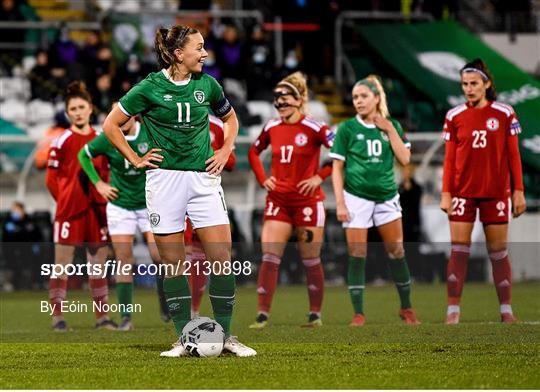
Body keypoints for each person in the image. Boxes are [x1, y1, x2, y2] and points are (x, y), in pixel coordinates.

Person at [102, 25, 256, 357]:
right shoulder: (148, 87)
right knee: (173, 263)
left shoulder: (209, 85)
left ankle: (227, 335)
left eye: (204, 48)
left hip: (203, 179)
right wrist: (135, 158)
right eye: (198, 48)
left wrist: (226, 150)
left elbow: (231, 120)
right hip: (164, 181)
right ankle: (184, 338)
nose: (204, 53)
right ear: (178, 55)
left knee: (221, 258)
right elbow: (110, 125)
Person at [440, 58, 526, 324]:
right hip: (463, 193)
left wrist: (518, 190)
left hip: (496, 192)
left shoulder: (504, 113)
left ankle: (506, 310)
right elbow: (449, 160)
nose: (468, 88)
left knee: (498, 251)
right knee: (458, 250)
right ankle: (453, 311)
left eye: (474, 83)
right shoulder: (454, 116)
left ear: (486, 84)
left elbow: (513, 155)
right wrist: (446, 192)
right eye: (465, 84)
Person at [330, 75, 420, 326]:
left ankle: (406, 308)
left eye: (363, 96)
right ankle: (358, 313)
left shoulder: (392, 125)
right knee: (357, 253)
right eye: (355, 97)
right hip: (356, 198)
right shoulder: (347, 128)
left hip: (387, 197)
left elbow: (404, 159)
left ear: (376, 98)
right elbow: (337, 167)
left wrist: (390, 129)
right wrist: (340, 202)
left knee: (397, 251)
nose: (358, 101)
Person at [247, 72, 334, 329]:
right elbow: (254, 151)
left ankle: (315, 314)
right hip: (279, 201)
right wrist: (263, 178)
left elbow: (339, 151)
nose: (280, 104)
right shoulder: (272, 127)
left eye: (285, 99)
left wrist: (320, 176)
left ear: (299, 100)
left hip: (308, 202)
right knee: (270, 256)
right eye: (277, 100)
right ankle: (262, 315)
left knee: (310, 258)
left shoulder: (315, 127)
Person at [78, 102, 169, 331]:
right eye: (114, 114)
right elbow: (84, 155)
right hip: (120, 206)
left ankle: (166, 302)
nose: (119, 118)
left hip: (149, 203)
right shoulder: (109, 135)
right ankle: (127, 317)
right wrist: (98, 183)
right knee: (124, 261)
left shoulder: (148, 130)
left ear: (133, 115)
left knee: (159, 257)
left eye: (123, 114)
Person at [45, 81, 117, 331]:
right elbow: (51, 179)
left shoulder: (101, 139)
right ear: (67, 113)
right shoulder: (61, 140)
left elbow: (108, 174)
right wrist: (65, 200)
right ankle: (57, 319)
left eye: (81, 107)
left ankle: (102, 318)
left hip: (97, 211)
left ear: (90, 109)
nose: (77, 112)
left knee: (98, 266)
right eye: (72, 108)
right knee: (61, 265)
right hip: (70, 212)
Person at [187, 114, 236, 319]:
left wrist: (217, 154)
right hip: (177, 193)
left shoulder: (216, 125)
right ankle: (182, 315)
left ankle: (196, 312)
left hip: (205, 193)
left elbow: (231, 162)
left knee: (210, 254)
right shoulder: (174, 117)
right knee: (179, 255)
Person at [1, 201, 42, 290]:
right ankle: (10, 284)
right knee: (11, 265)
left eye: (16, 210)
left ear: (22, 210)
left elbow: (37, 235)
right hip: (11, 251)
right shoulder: (8, 221)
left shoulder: (30, 221)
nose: (14, 212)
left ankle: (27, 285)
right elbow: (5, 238)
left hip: (26, 250)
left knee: (27, 267)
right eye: (13, 210)